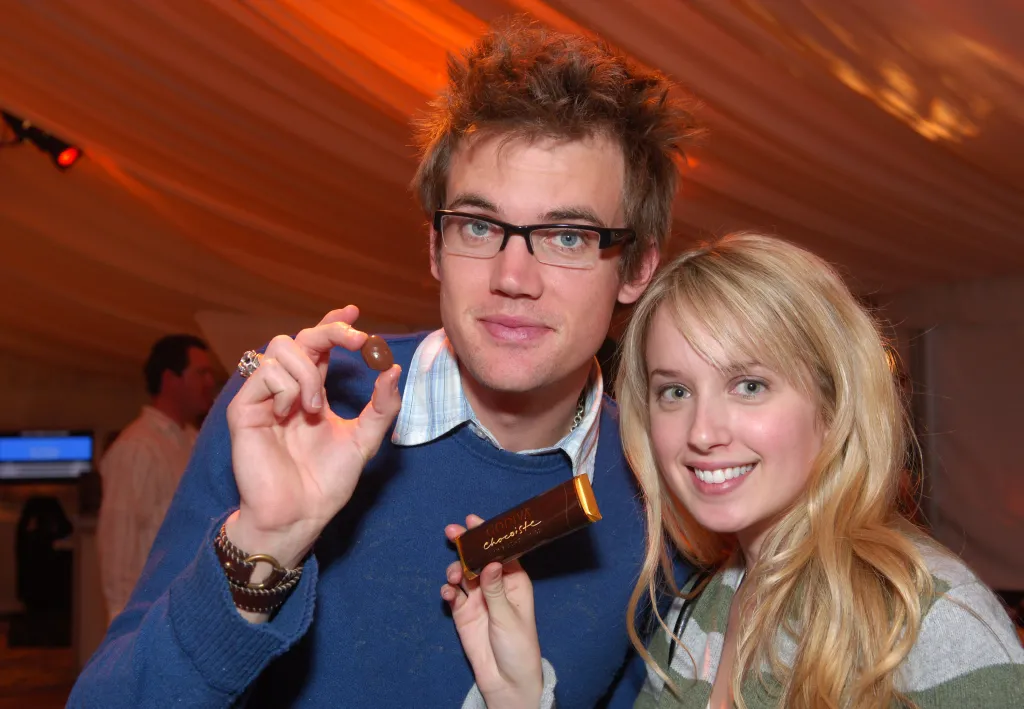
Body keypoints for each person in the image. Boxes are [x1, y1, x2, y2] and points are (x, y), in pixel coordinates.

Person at [68, 19, 703, 708]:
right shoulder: (296, 408)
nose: (512, 275)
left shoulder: (666, 491)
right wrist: (265, 549)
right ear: (435, 245)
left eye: (569, 235)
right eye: (479, 226)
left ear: (638, 265)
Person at [445, 233, 1024, 708]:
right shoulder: (705, 608)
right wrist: (518, 695)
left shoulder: (927, 621)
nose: (701, 432)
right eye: (674, 390)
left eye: (749, 385)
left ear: (833, 403)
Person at [96, 333, 216, 622]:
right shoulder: (137, 447)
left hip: (187, 605)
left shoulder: (193, 439)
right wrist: (121, 625)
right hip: (151, 614)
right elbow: (118, 544)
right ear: (169, 379)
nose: (210, 383)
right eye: (201, 373)